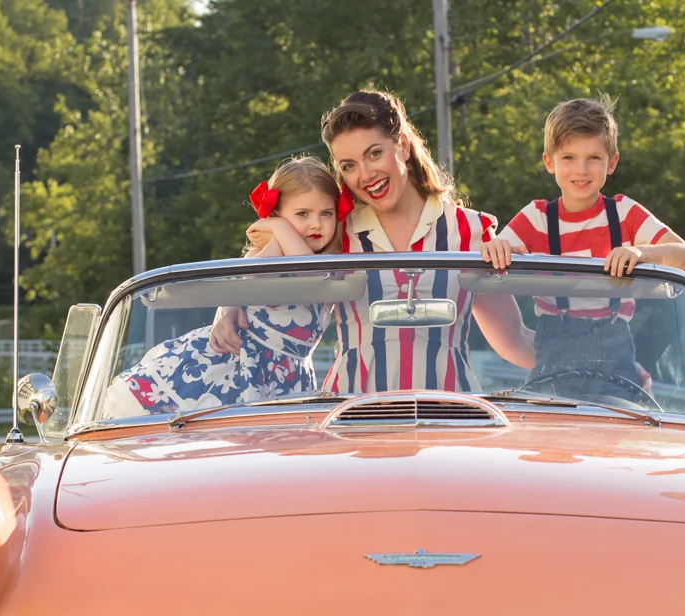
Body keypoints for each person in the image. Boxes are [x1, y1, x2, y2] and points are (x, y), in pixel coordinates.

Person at [215, 90, 535, 393]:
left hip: (449, 421)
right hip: (351, 422)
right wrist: (228, 306)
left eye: (375, 153)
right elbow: (264, 267)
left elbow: (515, 341)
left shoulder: (470, 229)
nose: (366, 174)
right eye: (349, 166)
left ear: (404, 147)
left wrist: (580, 362)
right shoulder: (336, 230)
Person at [479, 96, 685, 402]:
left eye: (593, 157)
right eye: (569, 158)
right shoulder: (537, 218)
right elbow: (493, 256)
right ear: (549, 161)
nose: (581, 169)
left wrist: (641, 253)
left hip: (616, 375)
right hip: (550, 374)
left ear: (612, 162)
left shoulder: (623, 213)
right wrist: (498, 247)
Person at [108, 158, 346, 416]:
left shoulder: (330, 262)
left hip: (288, 372)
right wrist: (279, 231)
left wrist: (278, 227)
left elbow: (314, 272)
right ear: (277, 214)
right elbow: (289, 274)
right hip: (240, 364)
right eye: (302, 214)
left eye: (326, 213)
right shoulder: (269, 253)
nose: (316, 224)